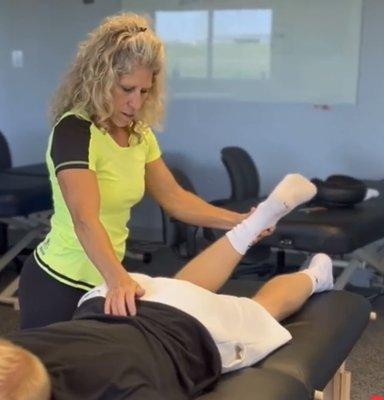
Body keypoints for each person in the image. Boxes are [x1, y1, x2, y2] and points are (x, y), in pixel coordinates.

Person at [1, 174, 334, 400]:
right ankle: (253, 225)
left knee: (264, 309)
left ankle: (317, 276)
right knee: (179, 294)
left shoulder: (121, 390)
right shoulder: (13, 347)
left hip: (190, 332)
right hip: (115, 301)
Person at [18, 13, 249, 329]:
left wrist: (238, 222)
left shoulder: (140, 134)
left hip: (107, 279)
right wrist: (119, 280)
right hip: (60, 281)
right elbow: (85, 219)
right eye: (127, 89)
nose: (135, 102)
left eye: (144, 91)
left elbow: (176, 200)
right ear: (99, 79)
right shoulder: (74, 131)